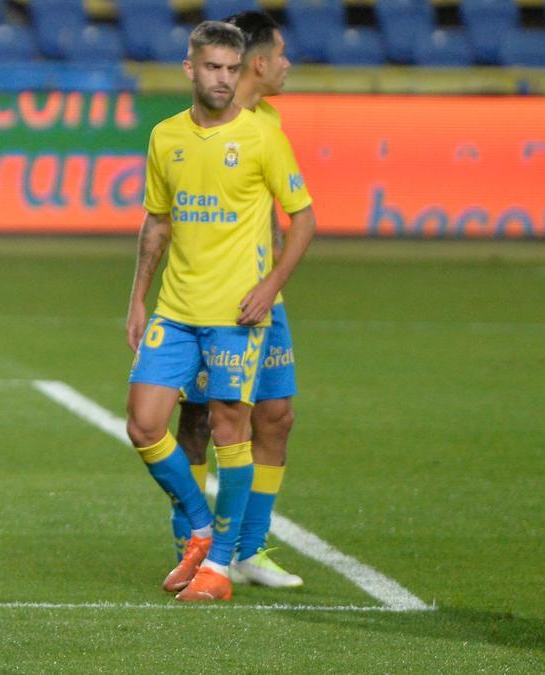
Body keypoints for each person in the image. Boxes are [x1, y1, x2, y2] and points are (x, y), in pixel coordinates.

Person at [125, 21, 316, 602]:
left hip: (237, 314)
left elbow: (302, 218)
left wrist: (270, 286)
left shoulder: (261, 136)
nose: (223, 79)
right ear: (191, 70)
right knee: (144, 423)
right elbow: (158, 221)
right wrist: (136, 296)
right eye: (213, 68)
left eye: (232, 69)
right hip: (175, 309)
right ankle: (201, 529)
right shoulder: (166, 137)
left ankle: (222, 565)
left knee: (238, 426)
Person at [170, 11, 306, 590]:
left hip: (264, 300)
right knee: (201, 420)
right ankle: (193, 545)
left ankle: (250, 550)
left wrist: (271, 285)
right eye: (279, 54)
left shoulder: (268, 123)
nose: (286, 65)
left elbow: (283, 213)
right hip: (211, 304)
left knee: (277, 415)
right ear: (258, 60)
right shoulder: (200, 125)